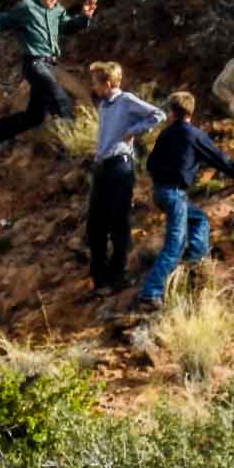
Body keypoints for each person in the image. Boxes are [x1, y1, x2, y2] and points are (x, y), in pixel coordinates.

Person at [0, 0, 99, 166]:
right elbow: (0, 20)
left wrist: (84, 17)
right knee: (61, 100)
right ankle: (79, 149)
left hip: (50, 64)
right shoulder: (26, 8)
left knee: (34, 117)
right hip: (35, 64)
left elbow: (67, 26)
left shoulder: (57, 10)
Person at [138, 92, 234, 308]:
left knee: (198, 219)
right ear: (191, 110)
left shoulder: (166, 134)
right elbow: (215, 156)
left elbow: (150, 164)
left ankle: (195, 261)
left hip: (160, 192)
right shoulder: (193, 134)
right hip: (175, 193)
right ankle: (150, 292)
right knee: (175, 244)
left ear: (171, 112)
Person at [87, 61, 165, 295]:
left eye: (96, 83)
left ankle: (117, 276)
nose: (93, 87)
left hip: (120, 167)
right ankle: (99, 279)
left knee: (118, 221)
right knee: (95, 224)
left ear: (108, 84)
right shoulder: (103, 106)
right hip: (102, 166)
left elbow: (158, 114)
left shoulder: (126, 101)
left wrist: (134, 131)